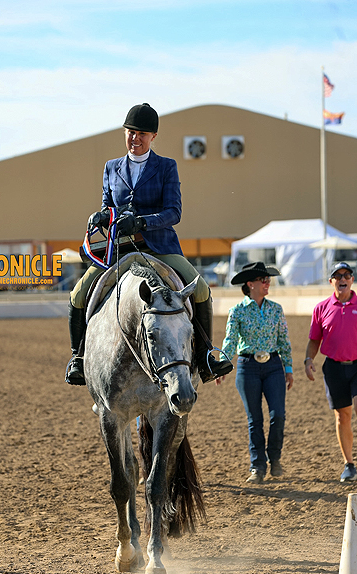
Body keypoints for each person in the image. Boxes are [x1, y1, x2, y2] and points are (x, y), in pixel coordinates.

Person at [66, 103, 233, 386]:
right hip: (120, 248)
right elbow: (109, 205)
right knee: (78, 294)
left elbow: (174, 212)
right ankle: (78, 358)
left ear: (153, 136)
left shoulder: (166, 167)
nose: (135, 138)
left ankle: (206, 356)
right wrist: (102, 216)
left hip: (158, 247)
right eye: (130, 132)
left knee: (201, 289)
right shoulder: (111, 167)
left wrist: (142, 222)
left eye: (142, 134)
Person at [216, 261, 294, 484]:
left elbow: (284, 340)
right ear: (250, 284)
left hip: (273, 366)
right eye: (263, 280)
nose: (267, 283)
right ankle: (257, 466)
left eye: (268, 279)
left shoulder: (276, 309)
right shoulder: (237, 311)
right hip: (247, 367)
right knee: (255, 419)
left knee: (278, 414)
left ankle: (274, 457)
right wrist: (223, 365)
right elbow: (230, 341)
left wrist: (288, 368)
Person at [305, 261, 357, 482]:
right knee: (342, 416)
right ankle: (349, 465)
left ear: (352, 280)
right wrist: (309, 360)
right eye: (338, 276)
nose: (342, 279)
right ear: (331, 281)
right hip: (334, 368)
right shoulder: (321, 308)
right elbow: (314, 339)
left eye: (346, 275)